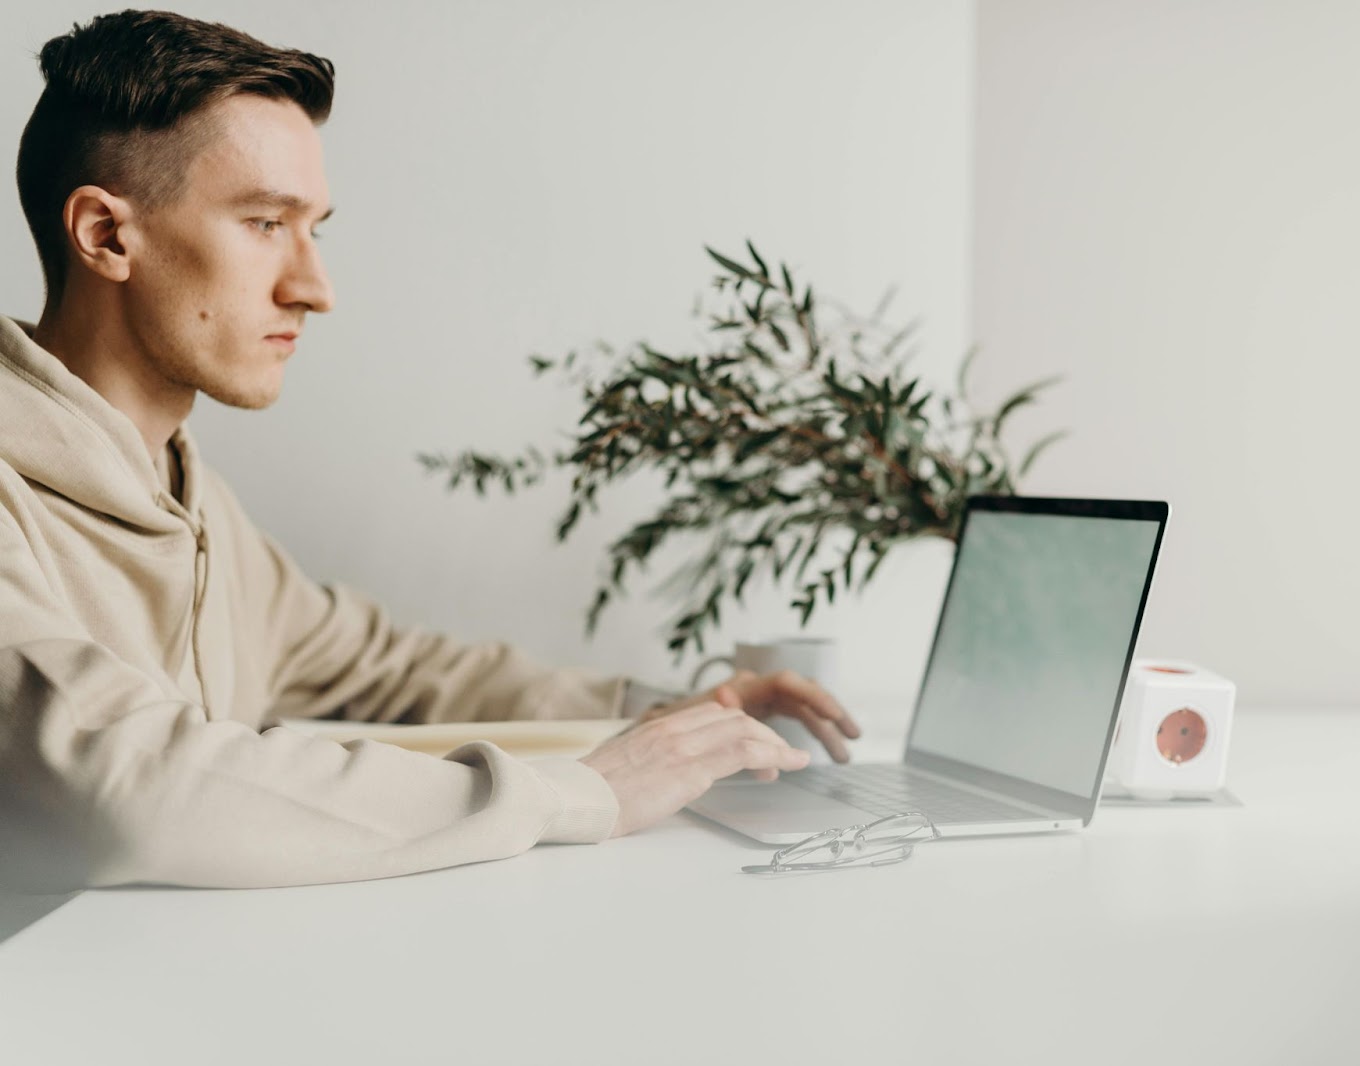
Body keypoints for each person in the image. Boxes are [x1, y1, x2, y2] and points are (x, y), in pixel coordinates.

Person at [0, 10, 859, 892]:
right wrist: (579, 795)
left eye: (314, 229)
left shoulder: (190, 499)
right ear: (107, 236)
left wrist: (665, 713)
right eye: (263, 222)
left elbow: (391, 670)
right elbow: (138, 791)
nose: (314, 288)